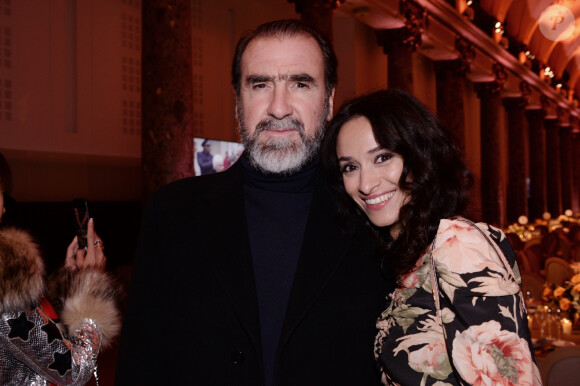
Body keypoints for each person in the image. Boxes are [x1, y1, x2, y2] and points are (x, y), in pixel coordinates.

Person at [115, 19, 393, 385]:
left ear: (328, 103)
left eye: (300, 84)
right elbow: (142, 361)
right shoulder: (172, 213)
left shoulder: (372, 216)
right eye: (260, 84)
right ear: (237, 103)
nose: (279, 107)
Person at [322, 89, 541, 385]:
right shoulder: (407, 257)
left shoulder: (458, 243)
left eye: (383, 157)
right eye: (350, 167)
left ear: (420, 155)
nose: (365, 183)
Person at [0, 155, 121, 385]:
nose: (4, 207)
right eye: (1, 193)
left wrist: (67, 285)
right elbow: (73, 368)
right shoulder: (5, 276)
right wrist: (91, 287)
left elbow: (29, 342)